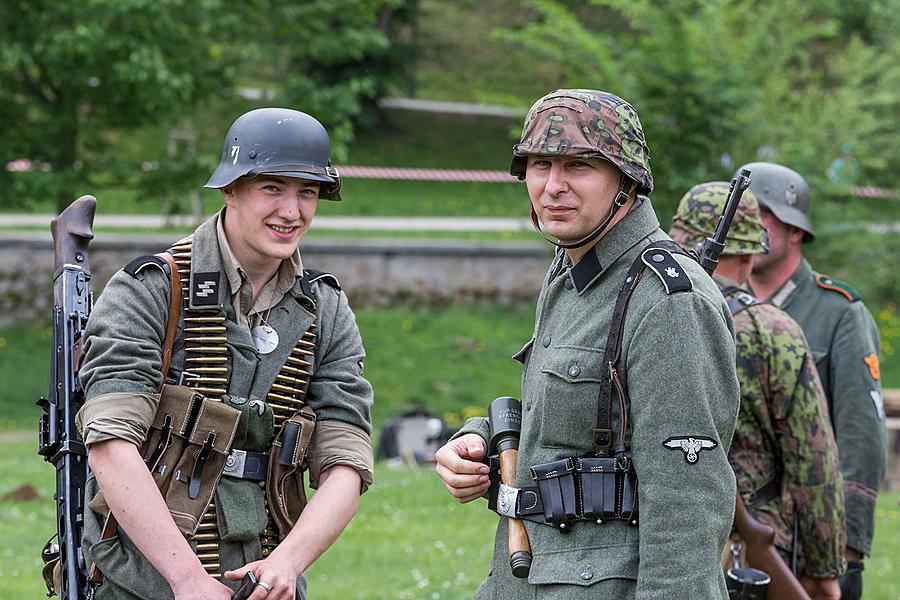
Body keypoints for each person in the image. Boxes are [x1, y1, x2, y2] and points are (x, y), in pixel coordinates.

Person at [435, 89, 741, 598]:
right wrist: (480, 442)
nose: (553, 186)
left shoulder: (667, 299)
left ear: (627, 180)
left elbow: (688, 502)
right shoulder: (574, 269)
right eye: (540, 164)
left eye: (579, 166)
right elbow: (573, 422)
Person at [75, 108, 375, 600]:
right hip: (146, 580)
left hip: (267, 574)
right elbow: (110, 445)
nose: (292, 211)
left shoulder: (324, 306)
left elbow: (346, 461)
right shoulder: (152, 289)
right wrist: (188, 581)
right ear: (230, 189)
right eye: (272, 188)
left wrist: (286, 564)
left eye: (307, 192)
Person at [669, 181, 846, 599]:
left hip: (662, 533)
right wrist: (824, 566)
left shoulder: (646, 311)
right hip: (752, 550)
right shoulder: (772, 330)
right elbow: (812, 457)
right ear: (751, 254)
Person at [741, 162, 886, 599]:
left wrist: (846, 547)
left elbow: (861, 434)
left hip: (810, 540)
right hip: (734, 534)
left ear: (796, 229)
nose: (749, 224)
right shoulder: (716, 306)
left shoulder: (839, 313)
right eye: (742, 212)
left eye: (763, 214)